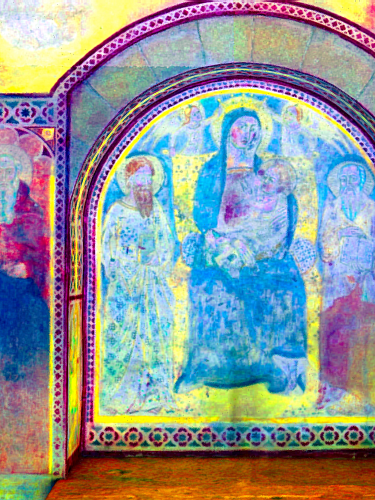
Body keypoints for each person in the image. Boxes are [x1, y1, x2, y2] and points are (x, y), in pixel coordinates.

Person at [175, 108, 308, 395]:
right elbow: (201, 213)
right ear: (227, 132)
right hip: (219, 246)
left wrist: (269, 240)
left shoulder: (267, 169)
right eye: (242, 127)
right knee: (211, 285)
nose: (249, 134)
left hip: (261, 250)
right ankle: (206, 368)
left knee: (287, 285)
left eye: (254, 128)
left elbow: (285, 203)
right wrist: (216, 239)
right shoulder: (213, 170)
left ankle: (277, 369)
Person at [100, 155, 177, 415]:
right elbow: (107, 246)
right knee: (123, 335)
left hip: (152, 282)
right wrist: (122, 261)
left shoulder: (155, 209)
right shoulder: (117, 210)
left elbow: (166, 241)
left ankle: (155, 395)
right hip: (125, 283)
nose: (145, 182)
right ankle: (121, 396)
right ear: (129, 180)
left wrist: (158, 258)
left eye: (149, 177)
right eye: (140, 176)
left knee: (155, 332)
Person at [317, 155, 375, 416]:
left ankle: (365, 390)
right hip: (337, 277)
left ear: (361, 181)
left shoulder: (372, 207)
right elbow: (325, 239)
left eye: (353, 178)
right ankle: (335, 388)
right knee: (335, 328)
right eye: (344, 179)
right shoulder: (332, 207)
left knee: (365, 327)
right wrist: (339, 239)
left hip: (366, 278)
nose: (348, 183)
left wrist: (362, 266)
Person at [0, 146, 49, 299]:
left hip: (19, 282)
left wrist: (27, 267)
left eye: (8, 172)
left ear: (16, 174)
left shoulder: (30, 210)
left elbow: (40, 253)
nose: (3, 178)